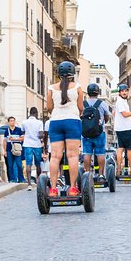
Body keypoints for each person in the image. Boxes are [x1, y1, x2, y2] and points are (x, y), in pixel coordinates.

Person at [47, 61, 84, 197]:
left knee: (55, 156)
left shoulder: (51, 88)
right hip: (72, 121)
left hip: (56, 121)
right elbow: (80, 108)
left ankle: (53, 189)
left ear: (58, 74)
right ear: (72, 74)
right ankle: (73, 188)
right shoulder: (77, 87)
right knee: (72, 155)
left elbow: (49, 108)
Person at [82, 83, 110, 177]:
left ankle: (87, 174)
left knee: (87, 153)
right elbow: (107, 117)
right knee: (100, 153)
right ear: (98, 93)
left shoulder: (83, 104)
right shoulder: (102, 104)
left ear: (88, 93)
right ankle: (101, 174)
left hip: (86, 134)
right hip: (99, 133)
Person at [114, 84, 131, 175]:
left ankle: (119, 169)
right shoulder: (120, 102)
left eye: (125, 91)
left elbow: (115, 113)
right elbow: (124, 114)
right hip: (126, 128)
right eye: (122, 91)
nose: (124, 92)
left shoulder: (121, 101)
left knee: (120, 148)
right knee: (128, 149)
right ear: (120, 92)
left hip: (120, 128)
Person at [22, 107, 44, 191]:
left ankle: (29, 184)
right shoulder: (39, 122)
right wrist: (41, 137)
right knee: (38, 164)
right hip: (37, 144)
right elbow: (41, 134)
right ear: (36, 113)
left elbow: (23, 132)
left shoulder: (24, 122)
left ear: (29, 113)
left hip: (27, 144)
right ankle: (38, 182)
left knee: (28, 163)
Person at [3, 116, 24, 183]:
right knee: (10, 165)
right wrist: (4, 150)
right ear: (8, 122)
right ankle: (12, 179)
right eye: (11, 121)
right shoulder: (7, 131)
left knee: (19, 164)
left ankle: (21, 178)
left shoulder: (19, 129)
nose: (12, 122)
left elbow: (22, 138)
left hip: (17, 149)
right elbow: (5, 141)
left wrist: (15, 139)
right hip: (9, 149)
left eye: (13, 120)